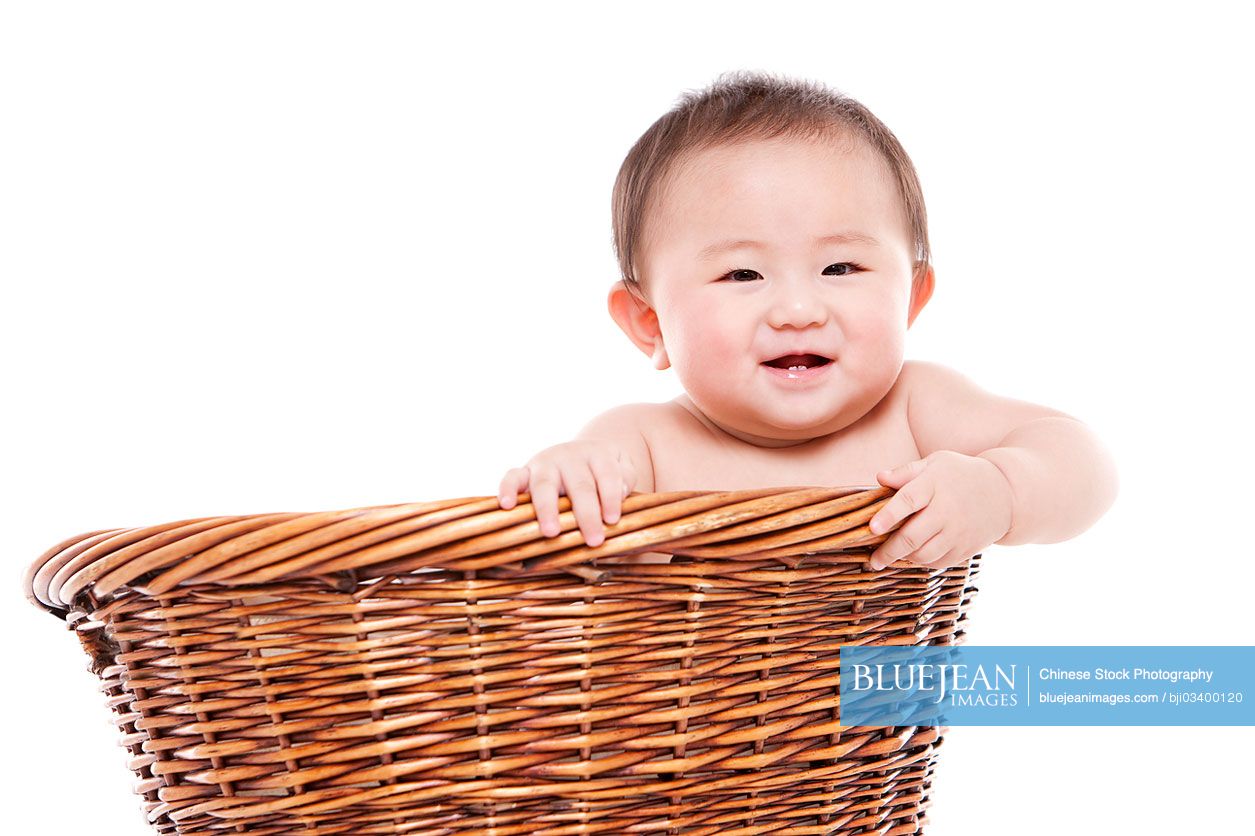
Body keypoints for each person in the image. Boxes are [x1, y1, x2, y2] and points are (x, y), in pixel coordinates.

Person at [498, 69, 1117, 571]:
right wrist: (570, 481)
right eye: (743, 275)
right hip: (684, 720)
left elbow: (1081, 462)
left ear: (911, 299)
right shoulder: (641, 444)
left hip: (872, 714)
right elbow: (576, 508)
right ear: (649, 323)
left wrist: (1000, 491)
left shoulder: (917, 408)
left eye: (841, 267)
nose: (798, 311)